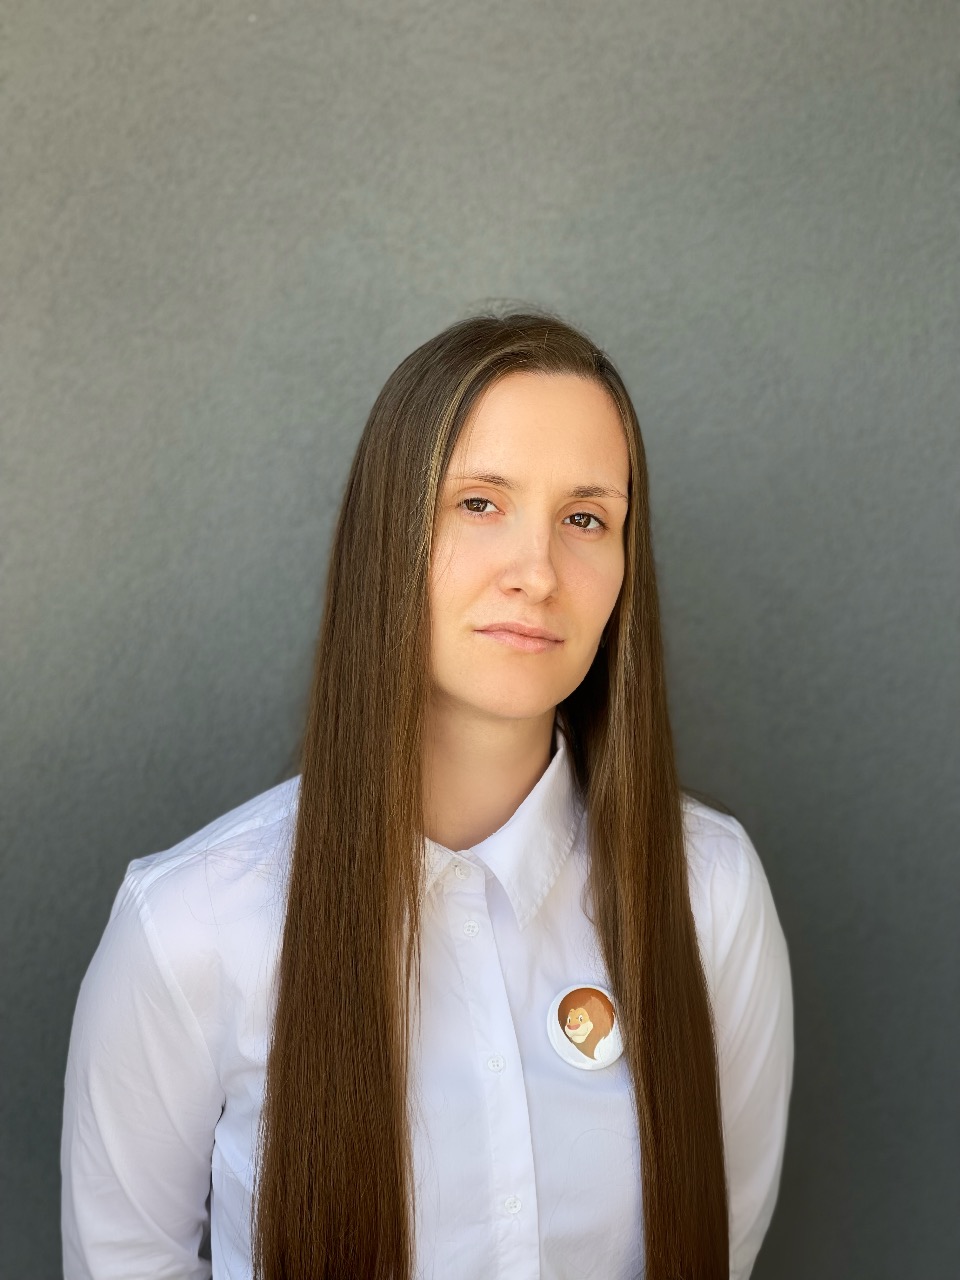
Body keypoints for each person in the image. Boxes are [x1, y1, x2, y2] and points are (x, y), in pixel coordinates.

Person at [61, 311, 794, 1280]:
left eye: (586, 518)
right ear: (387, 533)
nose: (538, 573)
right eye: (480, 503)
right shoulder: (190, 924)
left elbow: (721, 1241)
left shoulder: (712, 889)